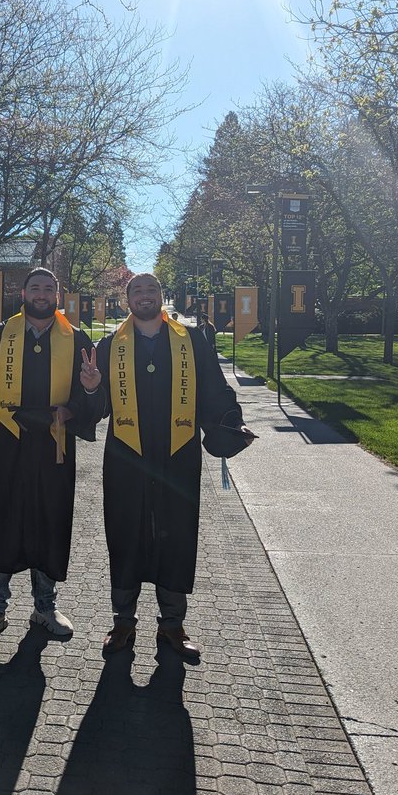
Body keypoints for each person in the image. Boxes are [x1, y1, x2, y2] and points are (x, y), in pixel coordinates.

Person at [93, 273, 255, 660]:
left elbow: (214, 388)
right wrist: (89, 387)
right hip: (125, 453)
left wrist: (230, 422)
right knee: (125, 532)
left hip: (177, 453)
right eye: (137, 290)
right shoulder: (109, 344)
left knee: (176, 534)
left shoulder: (191, 340)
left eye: (152, 290)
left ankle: (172, 626)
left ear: (162, 298)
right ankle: (123, 622)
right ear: (126, 300)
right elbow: (96, 403)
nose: (145, 295)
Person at [0, 268, 102, 643]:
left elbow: (92, 400)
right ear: (23, 292)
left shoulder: (76, 337)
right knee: (2, 519)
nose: (41, 294)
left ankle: (45, 607)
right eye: (35, 287)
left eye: (48, 288)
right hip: (7, 443)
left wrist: (84, 395)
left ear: (58, 294)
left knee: (49, 520)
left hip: (53, 446)